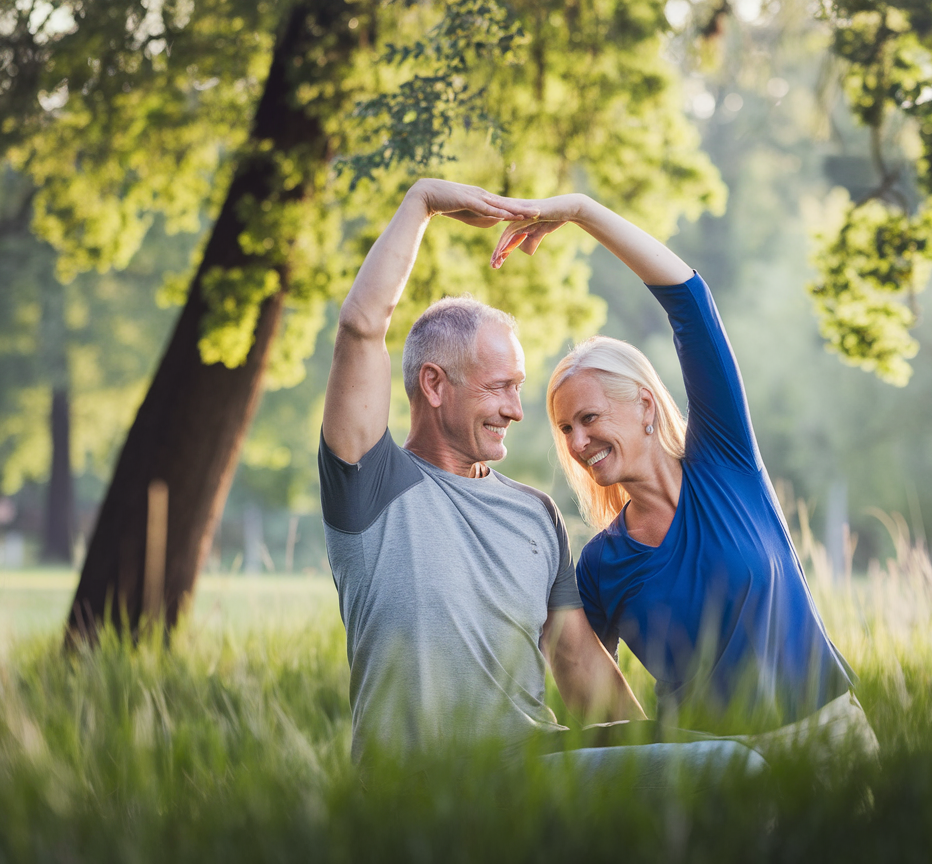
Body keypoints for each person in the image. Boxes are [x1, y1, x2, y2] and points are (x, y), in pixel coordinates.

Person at [491, 193, 874, 744]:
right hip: (719, 771)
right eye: (565, 429)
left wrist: (580, 211)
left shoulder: (724, 461)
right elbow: (587, 686)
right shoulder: (602, 563)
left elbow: (690, 302)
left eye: (590, 417)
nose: (578, 441)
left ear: (645, 405)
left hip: (831, 735)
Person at [319, 178, 646, 761]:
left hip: (534, 771)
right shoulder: (370, 486)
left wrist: (657, 758)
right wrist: (421, 202)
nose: (517, 411)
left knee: (735, 764)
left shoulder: (536, 512)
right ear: (435, 384)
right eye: (499, 388)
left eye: (518, 389)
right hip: (419, 795)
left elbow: (574, 658)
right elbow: (361, 327)